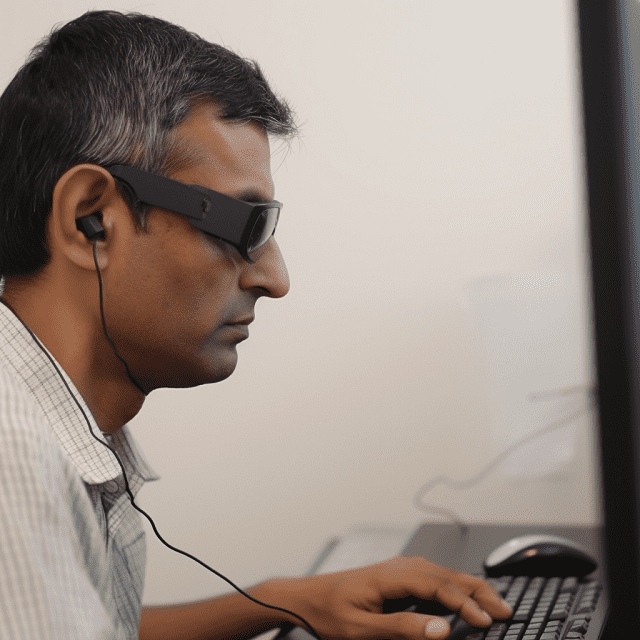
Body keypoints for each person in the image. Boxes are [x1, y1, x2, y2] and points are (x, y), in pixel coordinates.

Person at [0, 10, 513, 640]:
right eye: (244, 229)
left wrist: (281, 602)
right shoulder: (12, 453)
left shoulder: (41, 423)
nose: (275, 278)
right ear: (91, 220)